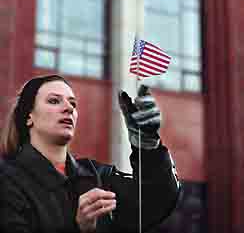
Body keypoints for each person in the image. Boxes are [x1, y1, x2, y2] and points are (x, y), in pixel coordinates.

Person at [0, 74, 180, 233]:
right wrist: (77, 227)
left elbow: (155, 202)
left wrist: (148, 147)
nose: (68, 108)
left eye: (72, 103)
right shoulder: (7, 180)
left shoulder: (97, 175)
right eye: (54, 101)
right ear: (28, 117)